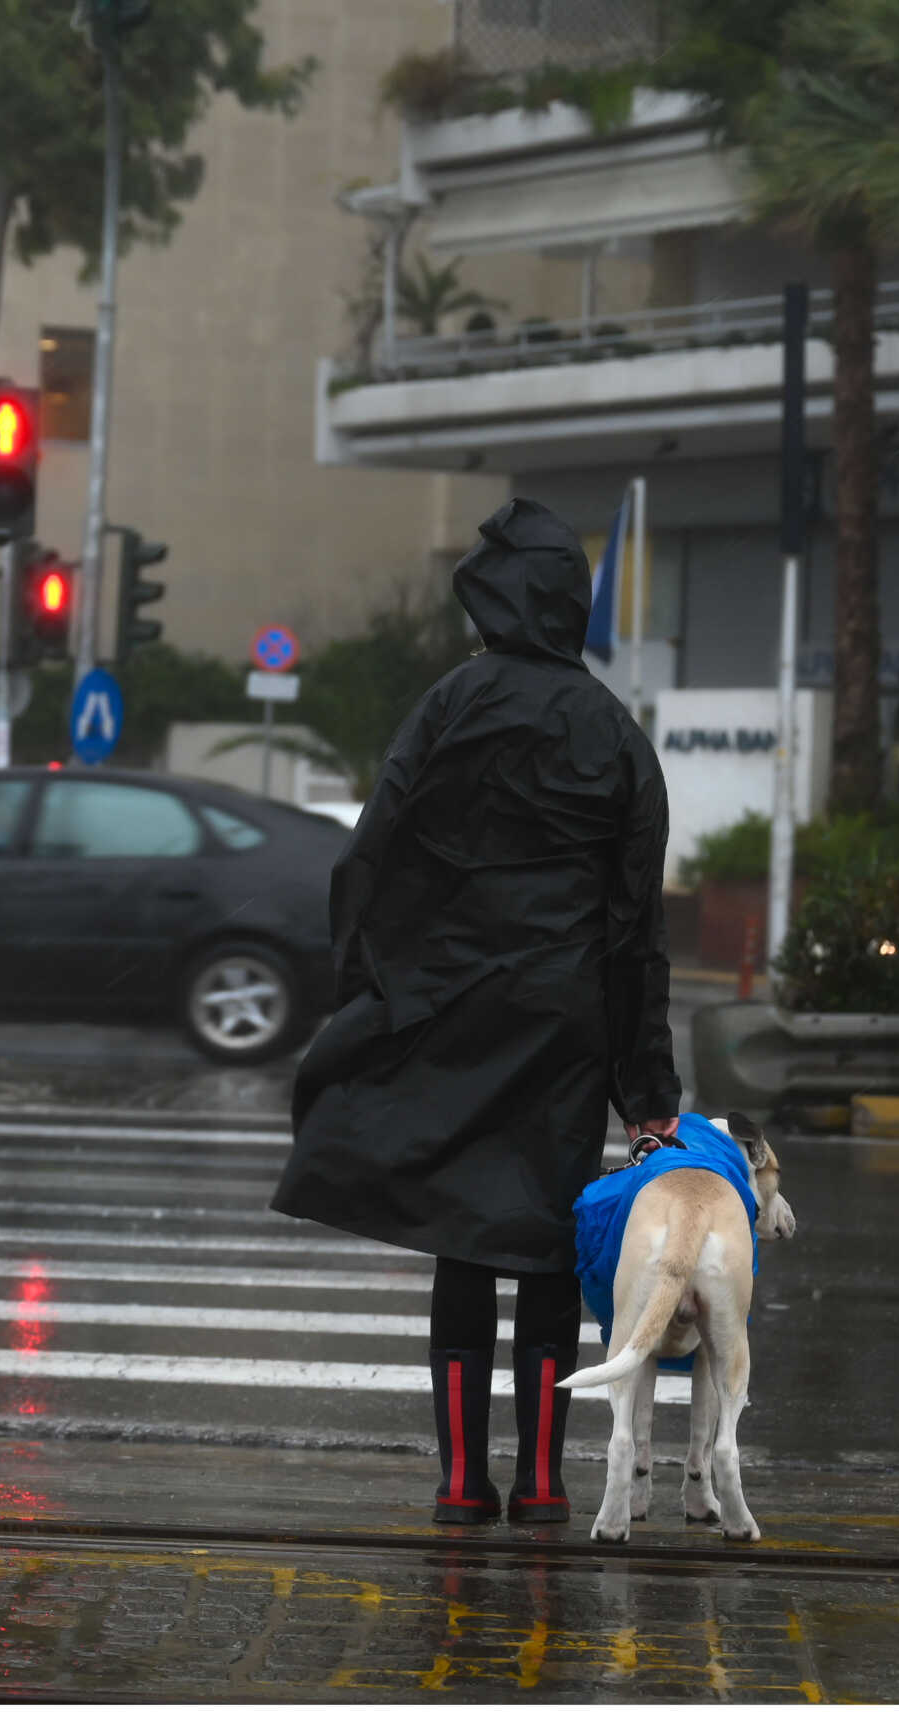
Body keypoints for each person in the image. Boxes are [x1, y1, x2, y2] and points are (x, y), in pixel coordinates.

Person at [271, 498, 680, 1524]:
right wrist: (648, 1089)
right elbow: (635, 926)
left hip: (452, 1002)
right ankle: (542, 1479)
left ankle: (460, 1481)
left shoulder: (449, 701)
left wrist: (378, 985)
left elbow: (372, 853)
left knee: (462, 1233)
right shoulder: (617, 735)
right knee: (545, 1237)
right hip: (564, 1020)